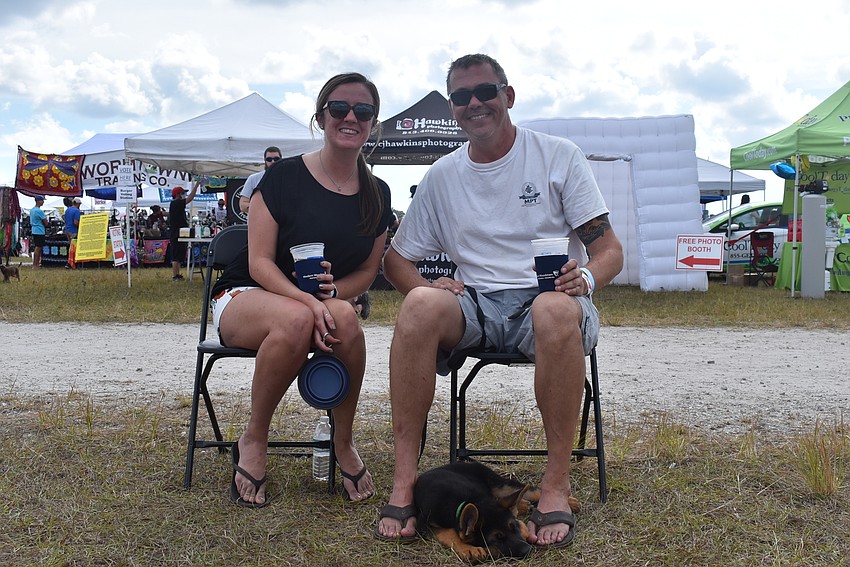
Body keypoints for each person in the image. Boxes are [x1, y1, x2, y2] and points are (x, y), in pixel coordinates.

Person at [375, 54, 624, 548]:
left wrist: (586, 280)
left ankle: (555, 484)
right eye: (462, 97)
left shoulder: (556, 155)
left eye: (485, 91)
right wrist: (426, 286)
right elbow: (395, 259)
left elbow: (609, 250)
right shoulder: (443, 176)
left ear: (507, 96)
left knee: (552, 307)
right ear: (452, 109)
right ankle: (405, 481)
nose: (475, 103)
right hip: (477, 304)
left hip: (551, 298)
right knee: (418, 306)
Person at [210, 72, 391, 507]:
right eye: (339, 108)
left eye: (363, 110)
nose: (350, 117)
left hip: (318, 304)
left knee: (346, 317)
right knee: (296, 319)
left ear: (373, 123)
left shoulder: (378, 193)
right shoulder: (285, 176)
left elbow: (368, 270)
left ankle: (343, 442)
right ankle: (253, 439)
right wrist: (311, 301)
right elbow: (259, 263)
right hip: (245, 295)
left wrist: (333, 296)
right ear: (320, 116)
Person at [169, 180, 200, 281]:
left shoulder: (175, 204)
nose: (184, 195)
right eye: (182, 193)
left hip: (180, 233)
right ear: (177, 194)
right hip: (176, 233)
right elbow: (190, 198)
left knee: (179, 255)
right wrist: (196, 186)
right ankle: (175, 276)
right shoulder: (176, 203)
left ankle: (178, 274)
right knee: (176, 256)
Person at [239, 146, 283, 217]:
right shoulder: (253, 178)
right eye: (269, 159)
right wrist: (265, 210)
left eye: (276, 159)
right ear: (265, 161)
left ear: (281, 159)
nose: (273, 162)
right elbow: (243, 205)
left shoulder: (289, 178)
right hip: (260, 223)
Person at [29, 196, 48, 269]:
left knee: (37, 247)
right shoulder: (39, 211)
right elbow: (45, 222)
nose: (43, 202)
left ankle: (36, 263)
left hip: (34, 230)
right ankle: (35, 265)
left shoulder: (32, 210)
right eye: (42, 200)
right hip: (40, 230)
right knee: (38, 248)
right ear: (38, 201)